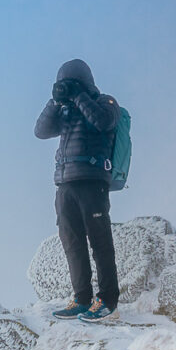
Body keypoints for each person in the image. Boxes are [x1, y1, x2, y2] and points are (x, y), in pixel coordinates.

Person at [34, 59, 121, 322]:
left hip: (93, 182)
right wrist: (54, 101)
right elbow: (40, 131)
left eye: (71, 83)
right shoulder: (64, 111)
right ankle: (81, 298)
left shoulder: (106, 102)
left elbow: (103, 122)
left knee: (100, 242)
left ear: (85, 82)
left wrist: (79, 95)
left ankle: (107, 299)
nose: (68, 89)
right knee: (73, 244)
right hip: (64, 185)